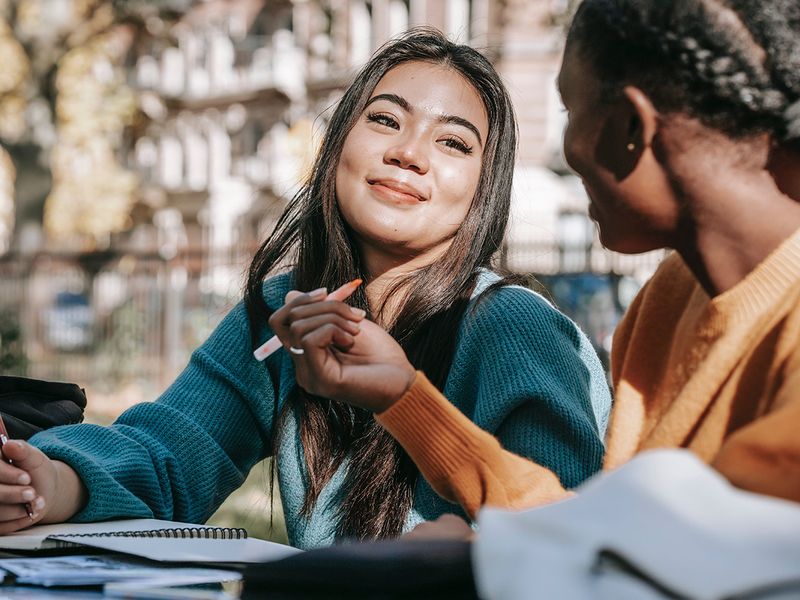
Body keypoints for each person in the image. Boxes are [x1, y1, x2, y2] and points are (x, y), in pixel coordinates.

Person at [0, 28, 612, 548]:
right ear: (338, 145)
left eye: (453, 142)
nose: (408, 153)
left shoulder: (512, 326)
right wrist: (46, 483)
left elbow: (563, 538)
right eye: (384, 120)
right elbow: (171, 452)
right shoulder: (284, 312)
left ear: (485, 188)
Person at [271, 0, 800, 524]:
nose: (564, 146)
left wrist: (471, 564)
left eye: (569, 111)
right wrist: (404, 397)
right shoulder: (670, 298)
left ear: (629, 128)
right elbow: (606, 532)